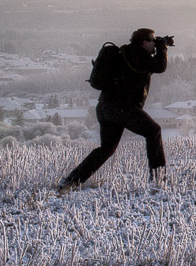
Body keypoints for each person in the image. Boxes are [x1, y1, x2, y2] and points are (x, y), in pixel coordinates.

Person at [58, 28, 170, 192]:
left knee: (107, 149)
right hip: (121, 108)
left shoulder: (126, 52)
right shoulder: (138, 54)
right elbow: (160, 66)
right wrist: (163, 47)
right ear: (144, 42)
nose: (155, 43)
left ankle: (70, 181)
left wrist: (160, 44)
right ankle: (159, 180)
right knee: (154, 131)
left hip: (105, 107)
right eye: (153, 40)